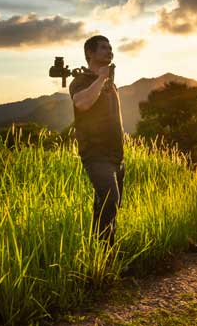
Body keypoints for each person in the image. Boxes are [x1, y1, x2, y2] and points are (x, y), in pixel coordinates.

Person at [69, 35, 125, 247]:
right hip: (96, 155)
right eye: (103, 47)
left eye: (110, 47)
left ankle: (102, 257)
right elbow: (82, 104)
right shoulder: (81, 82)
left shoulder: (112, 85)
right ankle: (105, 258)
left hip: (117, 156)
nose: (109, 50)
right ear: (90, 53)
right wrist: (100, 79)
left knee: (108, 206)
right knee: (110, 201)